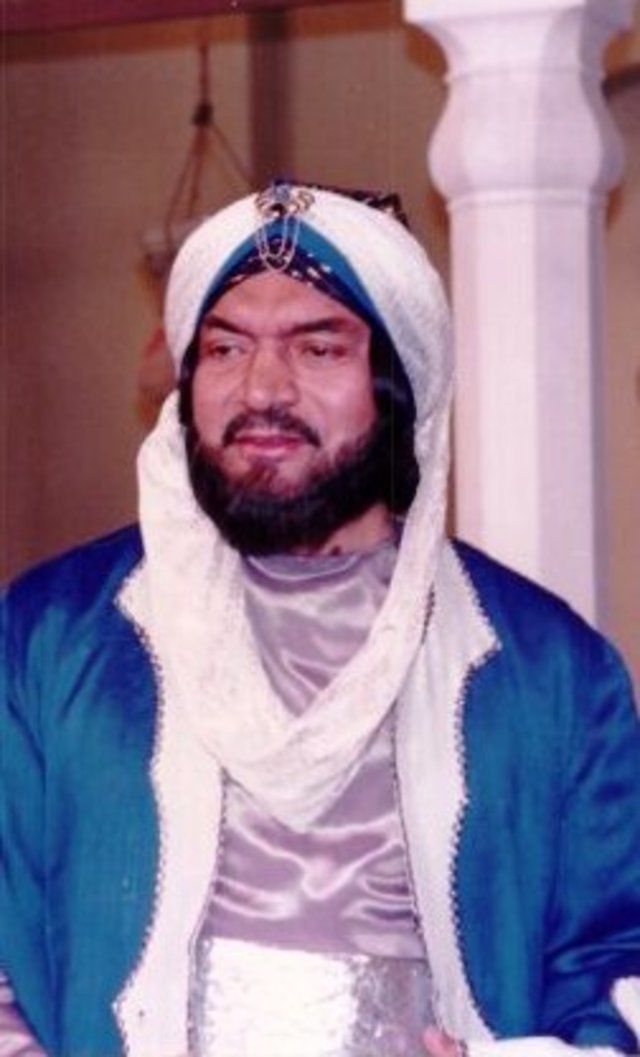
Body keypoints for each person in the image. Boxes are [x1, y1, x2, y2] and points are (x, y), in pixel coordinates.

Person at [2, 182, 639, 1057]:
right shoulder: (51, 636)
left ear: (400, 383)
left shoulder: (550, 669)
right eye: (225, 348)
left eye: (318, 347)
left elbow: (613, 967)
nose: (262, 387)